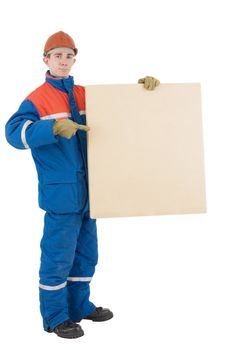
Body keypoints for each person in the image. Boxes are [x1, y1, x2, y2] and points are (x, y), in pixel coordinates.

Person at [5, 31, 160, 339]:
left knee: (87, 255)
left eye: (69, 55)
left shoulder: (87, 95)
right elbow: (13, 133)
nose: (63, 60)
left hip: (93, 192)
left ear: (74, 59)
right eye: (57, 55)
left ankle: (78, 307)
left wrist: (144, 92)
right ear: (46, 60)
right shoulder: (37, 98)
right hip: (61, 194)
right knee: (57, 257)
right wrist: (51, 127)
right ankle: (55, 317)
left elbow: (121, 113)